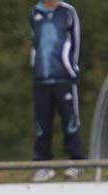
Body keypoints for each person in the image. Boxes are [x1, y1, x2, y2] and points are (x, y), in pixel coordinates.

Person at [30, 0, 86, 182]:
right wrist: (35, 68)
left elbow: (77, 41)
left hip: (64, 78)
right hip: (41, 79)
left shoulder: (68, 12)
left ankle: (77, 162)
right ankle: (42, 165)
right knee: (42, 125)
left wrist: (72, 68)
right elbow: (35, 43)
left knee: (70, 121)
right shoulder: (35, 12)